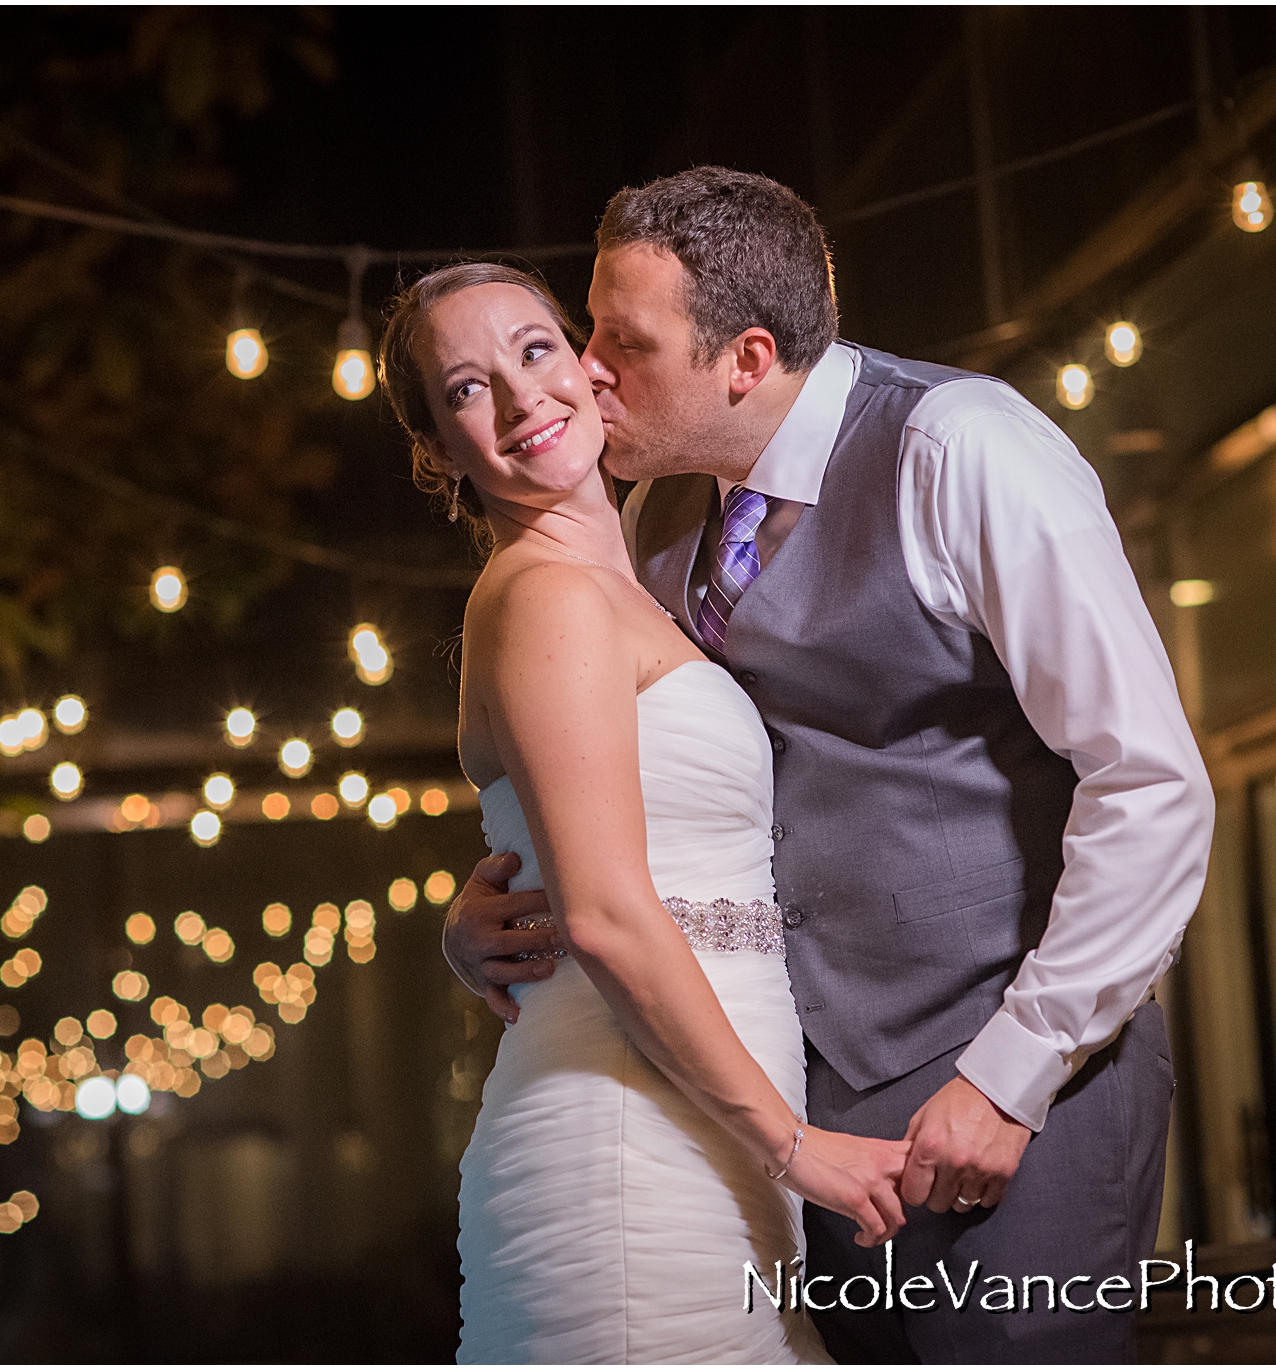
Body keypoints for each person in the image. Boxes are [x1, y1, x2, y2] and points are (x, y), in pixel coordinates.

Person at [443, 168, 1216, 1363]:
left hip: (1009, 1079)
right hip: (790, 1107)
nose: (587, 369)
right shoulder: (644, 523)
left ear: (744, 359)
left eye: (621, 341)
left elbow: (1150, 781)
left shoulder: (962, 449)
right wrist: (489, 905)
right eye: (585, 327)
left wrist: (1009, 1074)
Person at [378, 261, 911, 1363]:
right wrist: (795, 1147)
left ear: (584, 357)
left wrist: (465, 927)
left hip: (699, 1137)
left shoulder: (641, 567)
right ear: (438, 449)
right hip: (627, 1148)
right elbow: (611, 916)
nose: (523, 398)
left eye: (533, 349)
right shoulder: (546, 596)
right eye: (467, 388)